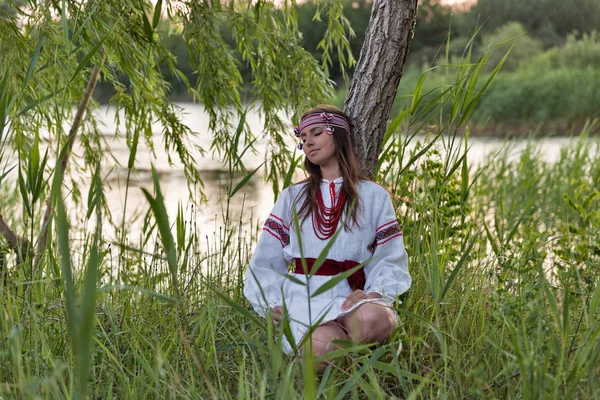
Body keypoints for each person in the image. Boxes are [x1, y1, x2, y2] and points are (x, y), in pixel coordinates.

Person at [243, 105, 411, 370]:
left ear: (338, 135)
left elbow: (389, 256)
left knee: (379, 320)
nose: (308, 141)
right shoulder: (292, 197)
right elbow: (266, 258)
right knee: (321, 349)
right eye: (303, 137)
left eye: (316, 133)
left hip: (352, 295)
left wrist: (376, 291)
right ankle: (336, 359)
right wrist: (270, 303)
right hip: (305, 298)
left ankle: (351, 356)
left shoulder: (373, 195)